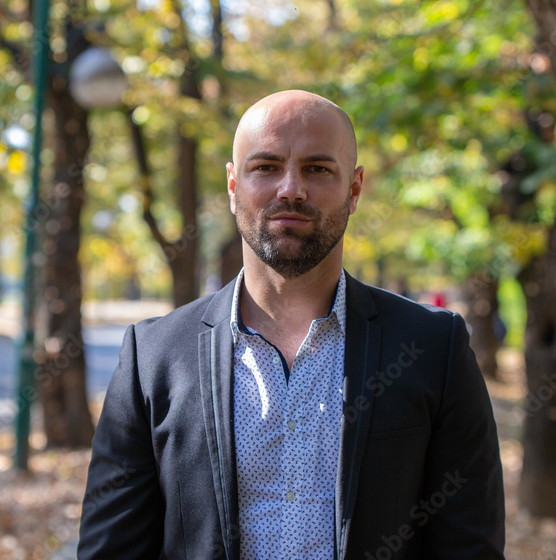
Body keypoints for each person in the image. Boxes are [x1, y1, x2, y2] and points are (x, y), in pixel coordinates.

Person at [77, 90, 505, 559]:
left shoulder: (432, 348)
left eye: (318, 169)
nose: (291, 189)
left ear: (355, 188)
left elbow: (470, 545)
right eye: (266, 166)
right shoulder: (153, 356)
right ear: (233, 184)